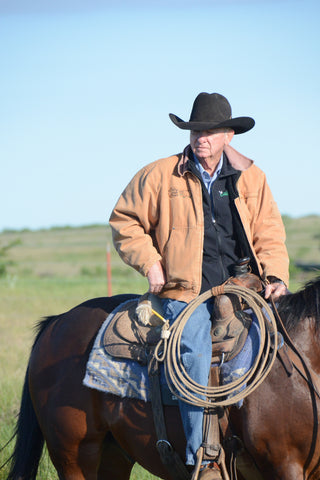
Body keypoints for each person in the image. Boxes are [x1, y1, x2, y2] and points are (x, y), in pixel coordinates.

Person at [109, 92, 289, 479]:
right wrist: (151, 263)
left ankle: (272, 445)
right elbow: (125, 220)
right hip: (185, 293)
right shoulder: (160, 174)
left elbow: (269, 233)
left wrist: (274, 275)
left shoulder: (251, 177)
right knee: (194, 348)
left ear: (229, 135)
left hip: (243, 288)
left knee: (285, 347)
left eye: (209, 131)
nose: (200, 138)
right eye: (195, 131)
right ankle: (204, 459)